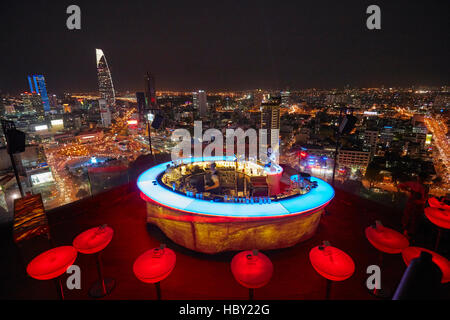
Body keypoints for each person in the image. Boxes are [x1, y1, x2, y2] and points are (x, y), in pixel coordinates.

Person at [398, 175, 427, 240]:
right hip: (413, 204)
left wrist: (408, 190)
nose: (419, 180)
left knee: (411, 217)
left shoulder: (416, 185)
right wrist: (407, 190)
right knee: (410, 217)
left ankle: (407, 234)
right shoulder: (420, 186)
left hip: (414, 204)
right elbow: (401, 185)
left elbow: (423, 200)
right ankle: (406, 233)